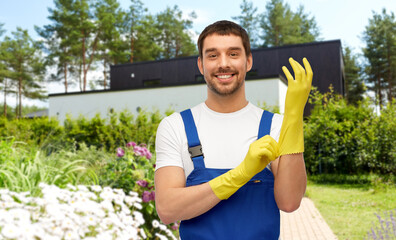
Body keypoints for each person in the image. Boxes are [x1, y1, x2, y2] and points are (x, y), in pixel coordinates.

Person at [154, 20, 313, 239]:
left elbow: (290, 201)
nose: (223, 64)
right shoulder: (175, 126)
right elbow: (167, 209)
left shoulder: (275, 126)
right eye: (212, 55)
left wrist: (293, 118)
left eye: (233, 54)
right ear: (201, 65)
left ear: (248, 61)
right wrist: (240, 174)